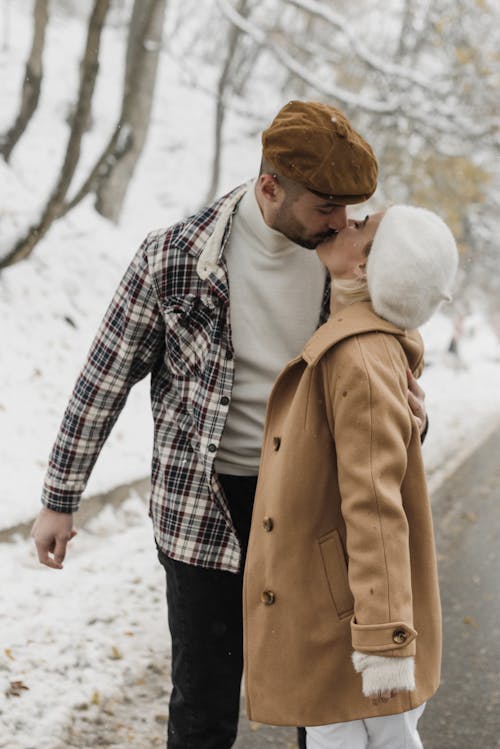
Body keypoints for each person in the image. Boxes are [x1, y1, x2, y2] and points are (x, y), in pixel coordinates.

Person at [31, 100, 427, 749]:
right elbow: (103, 378)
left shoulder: (353, 264)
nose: (343, 221)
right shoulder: (174, 258)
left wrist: (414, 410)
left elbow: (387, 373)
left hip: (309, 513)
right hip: (202, 514)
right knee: (203, 707)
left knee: (321, 703)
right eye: (326, 206)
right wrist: (59, 496)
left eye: (350, 207)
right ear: (270, 187)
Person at [243, 204, 458, 748]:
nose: (349, 220)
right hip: (343, 610)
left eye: (364, 226)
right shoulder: (360, 342)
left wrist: (384, 642)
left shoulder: (359, 357)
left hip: (353, 626)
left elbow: (376, 505)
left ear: (364, 268)